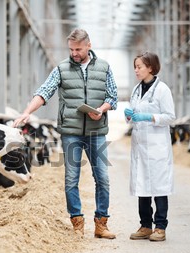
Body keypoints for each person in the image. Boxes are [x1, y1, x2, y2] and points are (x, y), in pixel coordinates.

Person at [13, 28, 118, 239]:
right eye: (71, 49)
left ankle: (101, 224)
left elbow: (113, 96)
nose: (74, 53)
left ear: (88, 45)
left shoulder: (104, 67)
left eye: (78, 49)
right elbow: (44, 92)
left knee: (103, 178)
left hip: (96, 131)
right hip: (71, 132)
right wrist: (26, 112)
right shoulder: (62, 69)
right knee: (71, 178)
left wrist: (101, 110)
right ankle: (77, 222)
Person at [124, 52, 175, 241]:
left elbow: (170, 116)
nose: (136, 70)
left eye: (139, 67)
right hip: (140, 146)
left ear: (151, 68)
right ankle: (145, 225)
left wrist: (149, 117)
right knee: (142, 185)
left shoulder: (162, 90)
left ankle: (160, 227)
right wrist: (128, 115)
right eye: (135, 67)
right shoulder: (136, 90)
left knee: (159, 187)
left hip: (157, 146)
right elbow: (133, 117)